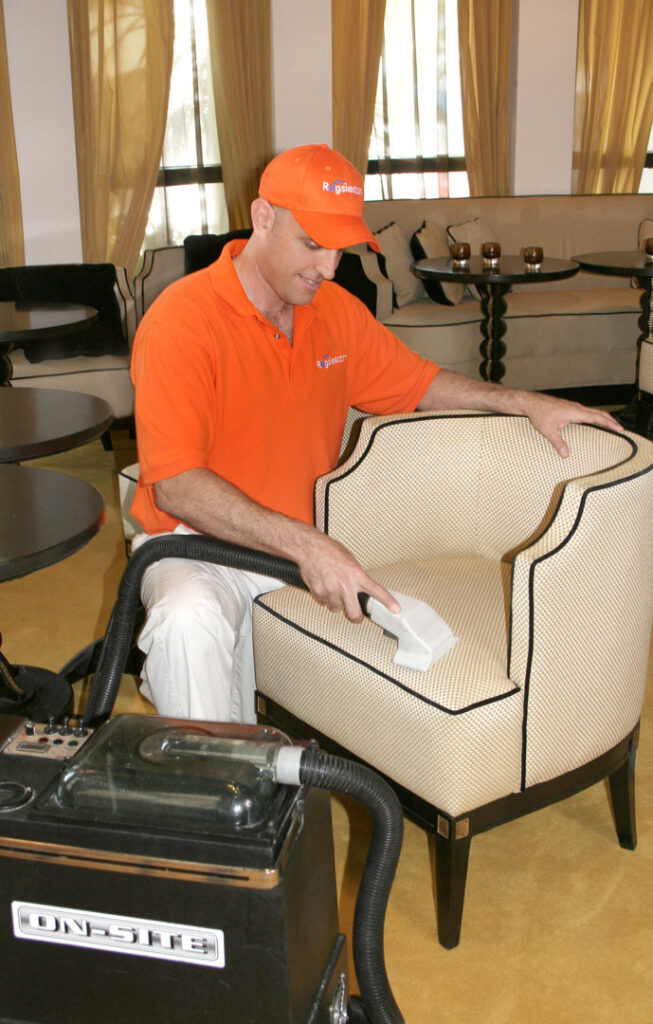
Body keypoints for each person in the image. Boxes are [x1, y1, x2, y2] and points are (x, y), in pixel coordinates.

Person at [129, 143, 621, 723]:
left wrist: (522, 402)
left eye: (340, 250)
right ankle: (213, 804)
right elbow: (178, 486)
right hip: (200, 541)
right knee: (186, 623)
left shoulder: (334, 312)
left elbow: (418, 384)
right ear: (263, 218)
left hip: (309, 543)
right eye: (311, 245)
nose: (328, 269)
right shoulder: (183, 320)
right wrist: (307, 545)